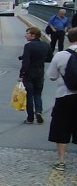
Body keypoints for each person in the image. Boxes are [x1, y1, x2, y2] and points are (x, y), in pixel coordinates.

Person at [45, 26, 77, 170]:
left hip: (64, 96)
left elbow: (52, 76)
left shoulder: (61, 55)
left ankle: (62, 161)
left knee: (62, 128)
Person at [18, 26, 49, 124]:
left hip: (29, 74)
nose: (25, 35)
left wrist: (21, 75)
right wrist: (40, 60)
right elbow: (50, 58)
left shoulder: (28, 46)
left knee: (29, 96)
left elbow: (26, 62)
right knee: (38, 94)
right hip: (40, 73)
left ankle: (30, 118)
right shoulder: (46, 45)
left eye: (27, 33)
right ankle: (38, 111)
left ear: (33, 35)